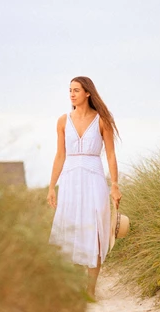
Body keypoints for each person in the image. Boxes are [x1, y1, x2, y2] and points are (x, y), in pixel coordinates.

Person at [47, 76, 122, 299]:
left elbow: (110, 154)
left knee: (94, 228)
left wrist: (115, 185)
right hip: (70, 179)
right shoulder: (62, 121)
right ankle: (71, 286)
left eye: (76, 90)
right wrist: (52, 186)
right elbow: (60, 155)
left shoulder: (102, 120)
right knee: (70, 229)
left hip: (94, 177)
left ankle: (90, 290)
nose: (71, 94)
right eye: (70, 90)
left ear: (87, 93)